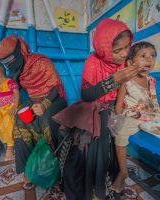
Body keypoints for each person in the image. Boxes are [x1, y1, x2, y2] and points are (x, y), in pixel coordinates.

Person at [52, 19, 144, 200]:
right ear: (104, 49)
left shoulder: (126, 63)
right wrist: (113, 81)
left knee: (117, 141)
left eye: (127, 47)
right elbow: (86, 95)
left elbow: (129, 92)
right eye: (117, 50)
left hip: (115, 109)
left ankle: (111, 183)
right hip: (94, 109)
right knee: (96, 147)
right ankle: (93, 190)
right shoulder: (93, 61)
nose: (124, 54)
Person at [0, 35, 67, 187]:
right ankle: (27, 169)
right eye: (7, 62)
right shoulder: (17, 71)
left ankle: (55, 169)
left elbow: (57, 87)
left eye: (12, 59)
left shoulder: (41, 61)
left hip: (54, 98)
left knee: (46, 120)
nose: (11, 65)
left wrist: (44, 105)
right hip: (35, 100)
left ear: (21, 50)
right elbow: (8, 96)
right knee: (19, 118)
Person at [112, 41, 160, 192]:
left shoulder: (151, 81)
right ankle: (123, 172)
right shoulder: (127, 81)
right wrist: (119, 121)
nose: (149, 60)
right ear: (131, 63)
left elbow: (155, 104)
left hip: (151, 115)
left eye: (152, 56)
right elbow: (118, 105)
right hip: (133, 116)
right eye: (143, 56)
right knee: (120, 135)